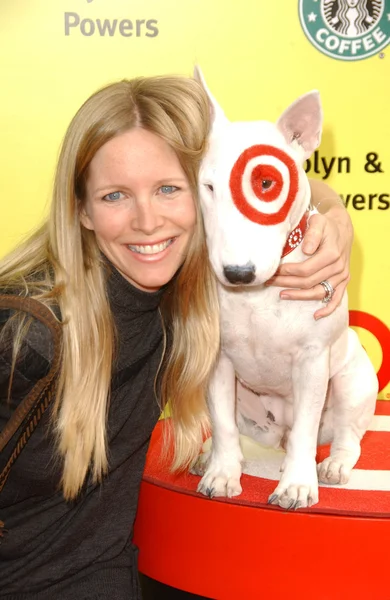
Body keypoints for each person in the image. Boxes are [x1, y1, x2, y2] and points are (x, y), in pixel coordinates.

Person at [0, 74, 353, 599]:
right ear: (81, 209)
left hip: (127, 570)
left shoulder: (183, 294)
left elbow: (279, 172)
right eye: (115, 195)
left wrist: (333, 217)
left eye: (169, 189)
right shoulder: (25, 335)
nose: (148, 221)